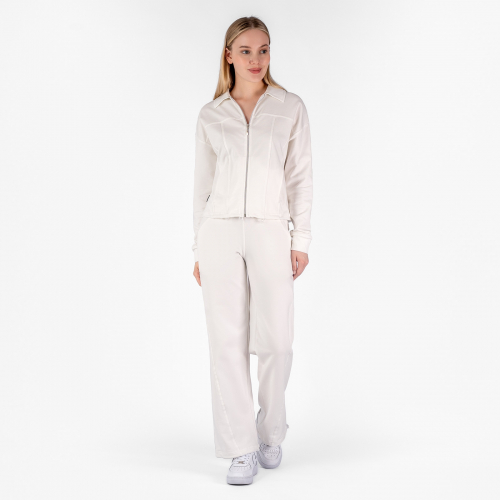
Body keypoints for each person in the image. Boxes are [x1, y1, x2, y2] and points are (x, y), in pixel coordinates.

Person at [191, 16, 313, 485]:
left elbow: (300, 176)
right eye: (245, 51)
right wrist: (198, 247)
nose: (256, 59)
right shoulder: (211, 114)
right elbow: (201, 187)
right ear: (229, 55)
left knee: (277, 342)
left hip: (270, 230)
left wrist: (300, 240)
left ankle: (270, 431)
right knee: (226, 343)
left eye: (263, 50)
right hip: (219, 232)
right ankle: (240, 448)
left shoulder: (289, 107)